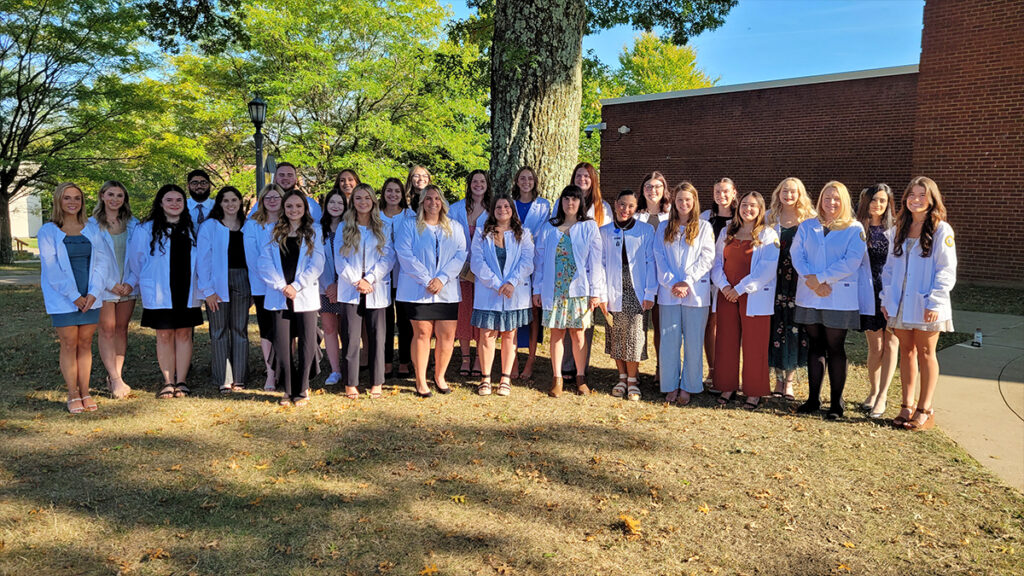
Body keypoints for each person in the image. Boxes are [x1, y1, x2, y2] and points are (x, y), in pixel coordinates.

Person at [880, 176, 956, 431]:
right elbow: (889, 269)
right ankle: (906, 405)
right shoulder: (897, 230)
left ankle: (925, 409)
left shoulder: (941, 230)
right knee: (906, 352)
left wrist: (934, 302)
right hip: (900, 304)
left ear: (932, 199)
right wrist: (886, 299)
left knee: (926, 353)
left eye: (922, 195)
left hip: (927, 304)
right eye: (912, 194)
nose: (916, 199)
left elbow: (946, 270)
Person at [790, 181, 867, 419]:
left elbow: (851, 261)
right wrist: (811, 281)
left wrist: (821, 279)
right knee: (815, 346)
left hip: (837, 296)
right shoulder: (807, 226)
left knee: (835, 347)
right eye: (827, 198)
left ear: (844, 201)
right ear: (820, 200)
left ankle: (836, 403)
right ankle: (813, 399)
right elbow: (797, 254)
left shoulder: (855, 229)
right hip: (810, 294)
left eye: (836, 198)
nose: (831, 202)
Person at [125, 184, 203, 399]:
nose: (174, 204)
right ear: (160, 203)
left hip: (187, 289)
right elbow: (136, 260)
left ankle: (182, 380)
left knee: (185, 334)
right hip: (159, 290)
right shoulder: (145, 229)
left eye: (179, 200)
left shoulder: (193, 228)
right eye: (169, 200)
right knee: (165, 335)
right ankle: (168, 381)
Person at [39, 182, 109, 413]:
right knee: (69, 344)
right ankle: (72, 394)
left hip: (90, 296)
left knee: (85, 343)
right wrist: (73, 296)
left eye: (77, 198)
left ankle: (86, 391)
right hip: (64, 297)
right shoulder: (48, 231)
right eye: (67, 198)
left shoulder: (93, 228)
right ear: (59, 201)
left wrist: (93, 293)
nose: (72, 202)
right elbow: (52, 269)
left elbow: (102, 262)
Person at [394, 185, 467, 397]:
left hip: (446, 290)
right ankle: (420, 380)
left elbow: (461, 254)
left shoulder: (454, 226)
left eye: (437, 199)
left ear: (442, 202)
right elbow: (404, 254)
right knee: (422, 333)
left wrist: (442, 278)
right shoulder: (409, 226)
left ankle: (440, 376)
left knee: (446, 335)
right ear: (422, 202)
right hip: (418, 289)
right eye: (428, 199)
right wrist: (427, 280)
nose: (433, 203)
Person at [534, 185, 606, 397]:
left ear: (580, 203)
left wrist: (595, 292)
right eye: (566, 199)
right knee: (556, 333)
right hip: (554, 289)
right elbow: (539, 261)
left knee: (578, 334)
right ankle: (557, 379)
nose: (570, 203)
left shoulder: (588, 227)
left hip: (579, 290)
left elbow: (596, 261)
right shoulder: (549, 227)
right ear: (561, 203)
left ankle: (580, 377)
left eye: (574, 200)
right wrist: (537, 289)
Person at [711, 191, 780, 410]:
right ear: (738, 207)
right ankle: (727, 386)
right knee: (726, 342)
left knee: (755, 345)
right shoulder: (726, 231)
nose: (747, 209)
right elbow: (716, 263)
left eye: (753, 206)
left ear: (760, 209)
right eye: (744, 205)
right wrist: (725, 287)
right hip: (726, 295)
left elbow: (766, 269)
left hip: (753, 296)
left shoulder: (768, 234)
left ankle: (754, 391)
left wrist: (739, 289)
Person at [258, 190, 325, 406]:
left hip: (304, 294)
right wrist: (282, 287)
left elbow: (318, 263)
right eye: (289, 206)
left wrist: (296, 286)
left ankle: (303, 388)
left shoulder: (314, 231)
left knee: (306, 344)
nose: (293, 210)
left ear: (305, 209)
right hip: (279, 295)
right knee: (283, 344)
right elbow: (264, 263)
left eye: (298, 206)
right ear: (283, 209)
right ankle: (288, 389)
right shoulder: (272, 231)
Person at [654, 182, 715, 406]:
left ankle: (689, 386)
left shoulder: (705, 227)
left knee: (693, 342)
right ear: (673, 202)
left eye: (688, 200)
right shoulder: (663, 227)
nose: (684, 204)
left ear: (694, 202)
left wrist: (686, 282)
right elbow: (658, 257)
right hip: (669, 294)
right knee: (669, 341)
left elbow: (707, 258)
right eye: (680, 199)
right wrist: (673, 282)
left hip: (695, 294)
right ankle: (670, 385)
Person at [335, 184, 395, 400]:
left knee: (377, 337)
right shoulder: (344, 227)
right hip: (351, 287)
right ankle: (350, 382)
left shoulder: (384, 227)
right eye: (358, 198)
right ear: (353, 202)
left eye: (367, 198)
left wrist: (369, 279)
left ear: (373, 201)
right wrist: (356, 281)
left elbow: (388, 257)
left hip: (376, 286)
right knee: (351, 337)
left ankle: (377, 381)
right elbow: (339, 259)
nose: (362, 202)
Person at [470, 194, 535, 396]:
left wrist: (511, 282)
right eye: (498, 206)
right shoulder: (482, 233)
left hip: (513, 292)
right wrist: (498, 283)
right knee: (487, 335)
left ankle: (505, 378)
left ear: (512, 210)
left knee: (509, 335)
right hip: (490, 291)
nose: (502, 209)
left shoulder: (523, 233)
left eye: (506, 206)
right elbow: (477, 263)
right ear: (492, 210)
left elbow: (527, 261)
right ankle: (485, 378)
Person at [600, 190, 657, 401]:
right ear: (615, 204)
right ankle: (622, 377)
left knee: (634, 334)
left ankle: (633, 379)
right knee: (616, 333)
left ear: (636, 208)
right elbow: (601, 264)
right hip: (613, 287)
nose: (626, 209)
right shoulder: (604, 231)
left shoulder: (645, 230)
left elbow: (651, 262)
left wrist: (650, 291)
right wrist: (601, 294)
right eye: (622, 205)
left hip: (637, 288)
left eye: (631, 206)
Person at [196, 186, 251, 394]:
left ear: (240, 202)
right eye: (225, 200)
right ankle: (223, 377)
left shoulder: (247, 225)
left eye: (234, 200)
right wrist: (207, 290)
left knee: (239, 329)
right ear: (219, 203)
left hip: (242, 280)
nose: (230, 204)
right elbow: (203, 259)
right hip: (217, 283)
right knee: (218, 331)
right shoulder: (209, 226)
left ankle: (239, 377)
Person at [86, 180, 138, 399]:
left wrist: (131, 282)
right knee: (107, 329)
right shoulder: (90, 224)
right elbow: (92, 259)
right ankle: (115, 380)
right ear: (102, 196)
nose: (115, 199)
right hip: (104, 287)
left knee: (121, 329)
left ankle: (116, 375)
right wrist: (109, 284)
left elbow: (139, 257)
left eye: (119, 195)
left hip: (127, 286)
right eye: (111, 194)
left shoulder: (133, 224)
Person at [765, 177, 814, 401]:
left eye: (793, 192)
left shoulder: (810, 220)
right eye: (785, 191)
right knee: (775, 328)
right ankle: (777, 379)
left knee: (795, 329)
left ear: (800, 194)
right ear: (778, 193)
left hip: (798, 282)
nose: (789, 195)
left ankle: (790, 382)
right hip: (773, 282)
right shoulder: (769, 217)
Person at [562, 162, 610, 380]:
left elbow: (603, 245)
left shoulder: (602, 208)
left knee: (583, 324)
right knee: (565, 321)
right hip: (566, 271)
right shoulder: (563, 202)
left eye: (587, 177)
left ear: (593, 181)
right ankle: (565, 366)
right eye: (579, 176)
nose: (582, 180)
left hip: (592, 272)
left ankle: (581, 368)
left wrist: (597, 285)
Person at [855, 183, 898, 418]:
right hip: (867, 291)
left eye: (883, 200)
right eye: (874, 200)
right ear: (866, 202)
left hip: (890, 290)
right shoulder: (856, 228)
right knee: (876, 347)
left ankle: (883, 396)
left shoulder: (897, 229)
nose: (878, 205)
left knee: (891, 343)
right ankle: (873, 390)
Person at [509, 166, 551, 380]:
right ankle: (513, 359)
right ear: (517, 182)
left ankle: (531, 361)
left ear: (535, 182)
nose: (526, 182)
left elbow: (544, 232)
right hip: (513, 263)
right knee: (515, 313)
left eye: (530, 179)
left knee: (534, 314)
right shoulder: (509, 203)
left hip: (536, 261)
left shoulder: (543, 205)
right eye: (522, 178)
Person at [449, 170, 491, 378]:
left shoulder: (493, 209)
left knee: (481, 314)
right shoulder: (456, 208)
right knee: (464, 313)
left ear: (487, 184)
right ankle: (465, 357)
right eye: (475, 181)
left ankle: (478, 358)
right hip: (462, 271)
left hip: (484, 274)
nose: (478, 185)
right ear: (469, 184)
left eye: (482, 181)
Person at [392, 165, 432, 378]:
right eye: (416, 175)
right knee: (406, 319)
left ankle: (423, 360)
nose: (420, 179)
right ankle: (405, 360)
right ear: (410, 179)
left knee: (424, 320)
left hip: (429, 270)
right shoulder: (403, 205)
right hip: (404, 271)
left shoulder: (434, 199)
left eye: (424, 175)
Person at [244, 184, 284, 391]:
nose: (272, 200)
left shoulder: (289, 222)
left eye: (276, 197)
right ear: (261, 200)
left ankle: (285, 370)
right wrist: (271, 280)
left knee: (286, 331)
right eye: (267, 197)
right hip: (262, 286)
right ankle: (271, 373)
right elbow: (253, 258)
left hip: (288, 286)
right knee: (267, 330)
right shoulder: (252, 225)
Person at [701, 177, 738, 388]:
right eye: (717, 192)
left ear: (734, 193)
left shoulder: (741, 217)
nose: (721, 195)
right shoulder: (706, 218)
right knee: (711, 324)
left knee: (731, 327)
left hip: (731, 281)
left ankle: (731, 371)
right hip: (708, 279)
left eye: (725, 191)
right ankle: (713, 370)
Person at [636, 171, 673, 386]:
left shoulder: (671, 216)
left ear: (664, 190)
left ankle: (661, 368)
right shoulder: (635, 215)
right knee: (638, 327)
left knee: (661, 327)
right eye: (648, 187)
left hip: (665, 281)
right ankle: (636, 367)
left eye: (657, 186)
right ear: (643, 190)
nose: (653, 191)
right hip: (641, 281)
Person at [379, 177, 415, 377]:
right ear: (383, 193)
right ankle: (386, 361)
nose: (393, 195)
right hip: (381, 276)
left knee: (404, 320)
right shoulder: (375, 216)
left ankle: (404, 360)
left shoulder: (411, 216)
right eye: (389, 191)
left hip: (404, 275)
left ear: (403, 194)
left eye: (397, 191)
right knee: (384, 320)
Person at [318, 188, 347, 385]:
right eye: (332, 203)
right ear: (326, 206)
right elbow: (313, 261)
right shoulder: (316, 229)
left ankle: (350, 366)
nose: (335, 206)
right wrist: (329, 286)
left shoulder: (350, 228)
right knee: (329, 328)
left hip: (347, 286)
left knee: (348, 330)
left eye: (340, 203)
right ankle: (335, 370)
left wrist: (339, 285)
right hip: (324, 287)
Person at [247, 163, 321, 221]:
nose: (285, 178)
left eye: (290, 175)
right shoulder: (264, 203)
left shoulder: (310, 204)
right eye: (281, 175)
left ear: (296, 179)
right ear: (275, 178)